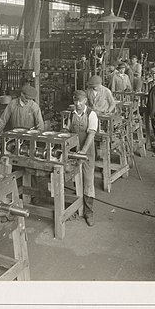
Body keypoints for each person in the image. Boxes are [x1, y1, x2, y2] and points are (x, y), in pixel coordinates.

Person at [66, 90, 98, 226]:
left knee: (88, 181)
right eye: (75, 101)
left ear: (85, 100)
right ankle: (72, 207)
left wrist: (83, 151)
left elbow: (91, 135)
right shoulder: (71, 114)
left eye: (80, 101)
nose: (77, 104)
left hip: (87, 152)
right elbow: (67, 131)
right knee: (68, 176)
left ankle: (88, 212)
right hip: (73, 151)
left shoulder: (91, 114)